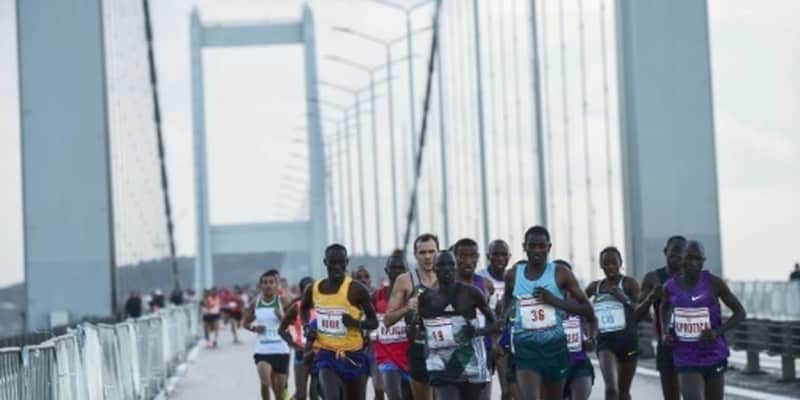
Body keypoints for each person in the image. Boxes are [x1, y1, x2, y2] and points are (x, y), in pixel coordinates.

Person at [501, 226, 594, 400]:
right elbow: (507, 300)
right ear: (524, 247)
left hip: (555, 350)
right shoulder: (512, 275)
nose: (537, 251)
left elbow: (588, 309)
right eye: (532, 246)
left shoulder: (561, 273)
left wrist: (555, 301)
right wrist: (503, 317)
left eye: (541, 246)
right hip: (526, 350)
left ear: (549, 247)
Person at [661, 240, 746, 400]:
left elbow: (740, 313)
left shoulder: (714, 283)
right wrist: (665, 332)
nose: (694, 263)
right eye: (689, 258)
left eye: (698, 259)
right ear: (682, 259)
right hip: (685, 357)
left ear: (703, 261)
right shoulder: (670, 287)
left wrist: (717, 332)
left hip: (713, 354)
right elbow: (664, 308)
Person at [409, 251, 495, 400]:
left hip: (469, 360)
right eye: (441, 265)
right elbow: (423, 333)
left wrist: (477, 331)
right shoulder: (426, 298)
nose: (446, 268)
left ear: (455, 268)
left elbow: (495, 324)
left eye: (450, 264)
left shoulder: (471, 293)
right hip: (441, 364)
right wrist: (413, 330)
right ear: (434, 268)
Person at [300, 244, 378, 400]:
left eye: (341, 262)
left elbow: (374, 322)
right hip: (327, 355)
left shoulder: (357, 289)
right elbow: (304, 309)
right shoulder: (314, 288)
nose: (337, 267)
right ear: (325, 262)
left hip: (353, 355)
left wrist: (355, 323)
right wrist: (307, 326)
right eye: (332, 262)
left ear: (346, 262)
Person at [584, 247, 650, 400]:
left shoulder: (629, 284)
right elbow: (580, 307)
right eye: (606, 263)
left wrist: (624, 298)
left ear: (620, 263)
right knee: (611, 389)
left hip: (628, 342)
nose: (610, 267)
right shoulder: (595, 287)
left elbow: (643, 313)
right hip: (605, 343)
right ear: (601, 265)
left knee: (623, 391)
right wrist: (588, 332)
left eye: (614, 263)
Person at [383, 233, 439, 400]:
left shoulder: (447, 276)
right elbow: (387, 319)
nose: (427, 257)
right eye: (422, 252)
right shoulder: (405, 280)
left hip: (445, 349)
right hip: (419, 350)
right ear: (415, 255)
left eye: (431, 251)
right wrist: (407, 308)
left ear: (438, 252)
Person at [639, 235, 687, 400]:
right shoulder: (653, 278)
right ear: (666, 251)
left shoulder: (694, 278)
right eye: (675, 251)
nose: (679, 255)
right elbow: (638, 314)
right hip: (667, 344)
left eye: (683, 252)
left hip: (692, 344)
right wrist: (651, 297)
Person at [451, 238, 495, 400]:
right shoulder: (443, 285)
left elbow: (493, 320)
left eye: (473, 256)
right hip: (451, 353)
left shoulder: (486, 284)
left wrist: (492, 344)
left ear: (478, 257)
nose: (468, 261)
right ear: (455, 257)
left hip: (481, 350)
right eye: (463, 256)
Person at [477, 239, 520, 400]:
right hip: (484, 340)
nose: (500, 258)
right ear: (488, 256)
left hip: (505, 340)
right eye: (495, 254)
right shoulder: (480, 278)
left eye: (503, 254)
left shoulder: (513, 278)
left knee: (508, 391)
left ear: (509, 256)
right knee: (482, 393)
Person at [243, 270, 292, 400]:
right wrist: (254, 328)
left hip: (281, 349)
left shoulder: (283, 301)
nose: (268, 285)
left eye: (271, 282)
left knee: (279, 389)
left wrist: (281, 317)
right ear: (260, 285)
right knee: (265, 383)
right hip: (262, 349)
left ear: (276, 284)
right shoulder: (256, 302)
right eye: (265, 282)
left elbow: (293, 323)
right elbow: (245, 323)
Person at [554, 260, 595, 400]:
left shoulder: (580, 302)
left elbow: (592, 320)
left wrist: (591, 337)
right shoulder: (543, 303)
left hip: (578, 363)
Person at [374, 253, 413, 400]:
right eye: (393, 268)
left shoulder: (413, 296)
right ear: (386, 270)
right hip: (387, 358)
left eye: (401, 268)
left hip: (409, 358)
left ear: (407, 271)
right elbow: (367, 320)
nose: (397, 272)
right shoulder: (376, 296)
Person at [279, 277, 317, 400]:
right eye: (306, 290)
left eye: (312, 289)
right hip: (301, 355)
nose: (310, 293)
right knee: (301, 395)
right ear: (301, 292)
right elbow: (281, 330)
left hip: (318, 356)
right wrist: (294, 345)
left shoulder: (322, 307)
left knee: (315, 395)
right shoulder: (296, 307)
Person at [353, 266, 385, 400]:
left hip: (375, 350)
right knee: (359, 394)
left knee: (380, 389)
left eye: (366, 276)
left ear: (371, 279)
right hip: (356, 352)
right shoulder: (348, 300)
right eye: (359, 277)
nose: (363, 280)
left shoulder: (378, 298)